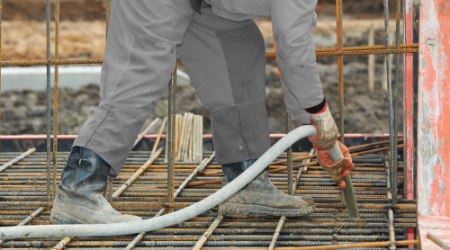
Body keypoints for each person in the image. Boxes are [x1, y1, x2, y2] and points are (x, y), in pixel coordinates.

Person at [50, 0, 353, 224]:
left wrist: (316, 130)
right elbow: (293, 42)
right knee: (141, 70)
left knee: (238, 47)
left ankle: (245, 181)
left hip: (211, 6)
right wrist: (318, 115)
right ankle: (79, 187)